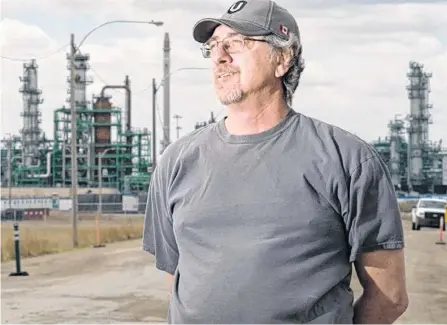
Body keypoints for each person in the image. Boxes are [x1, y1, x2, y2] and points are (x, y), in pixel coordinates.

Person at [143, 0, 409, 323]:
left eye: (236, 43)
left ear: (282, 59)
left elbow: (390, 296)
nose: (220, 56)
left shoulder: (349, 162)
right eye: (214, 46)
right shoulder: (175, 163)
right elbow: (178, 282)